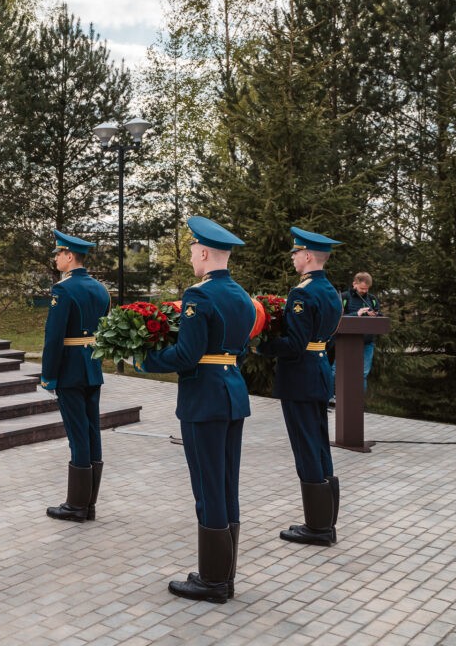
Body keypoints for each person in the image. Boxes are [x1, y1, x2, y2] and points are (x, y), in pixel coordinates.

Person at [144, 216, 253, 604]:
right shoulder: (241, 295)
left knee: (208, 488)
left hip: (204, 397)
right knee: (226, 485)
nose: (191, 257)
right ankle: (224, 575)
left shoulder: (199, 295)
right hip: (232, 394)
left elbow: (188, 355)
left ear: (205, 252)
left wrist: (148, 361)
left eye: (193, 251)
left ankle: (212, 582)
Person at [257, 226, 343, 547]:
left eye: (295, 252)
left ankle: (317, 528)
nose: (293, 257)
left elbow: (294, 344)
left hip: (300, 376)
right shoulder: (332, 292)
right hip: (319, 371)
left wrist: (261, 344)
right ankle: (326, 522)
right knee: (319, 444)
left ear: (308, 256)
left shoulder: (302, 293)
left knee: (306, 447)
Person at [40, 230, 111, 524]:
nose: (56, 258)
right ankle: (89, 503)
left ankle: (76, 506)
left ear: (70, 257)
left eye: (58, 253)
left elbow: (54, 337)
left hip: (70, 370)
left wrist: (48, 376)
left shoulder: (63, 290)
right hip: (92, 367)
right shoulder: (101, 289)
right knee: (92, 431)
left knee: (77, 435)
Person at [342, 271, 381, 392]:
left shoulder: (372, 299)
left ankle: (357, 402)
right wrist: (357, 314)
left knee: (363, 373)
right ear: (354, 284)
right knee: (338, 371)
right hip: (347, 341)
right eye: (362, 288)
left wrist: (375, 315)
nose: (364, 291)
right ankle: (333, 399)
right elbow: (338, 318)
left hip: (367, 342)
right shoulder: (344, 297)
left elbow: (380, 316)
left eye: (367, 289)